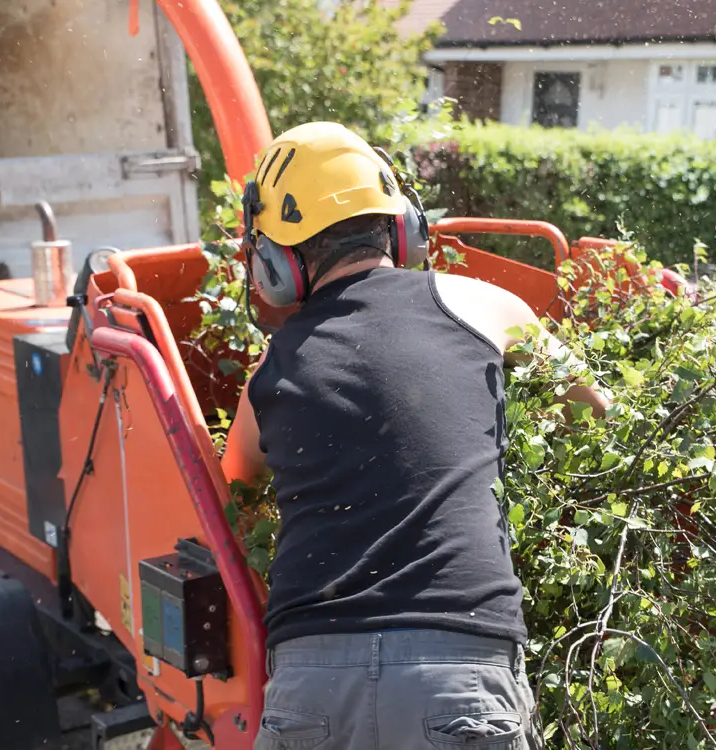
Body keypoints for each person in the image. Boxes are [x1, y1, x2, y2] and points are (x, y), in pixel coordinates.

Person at [220, 122, 609, 750]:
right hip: (455, 675)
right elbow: (596, 411)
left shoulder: (269, 372)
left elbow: (234, 489)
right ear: (403, 228)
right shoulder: (486, 308)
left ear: (276, 262)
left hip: (311, 686)